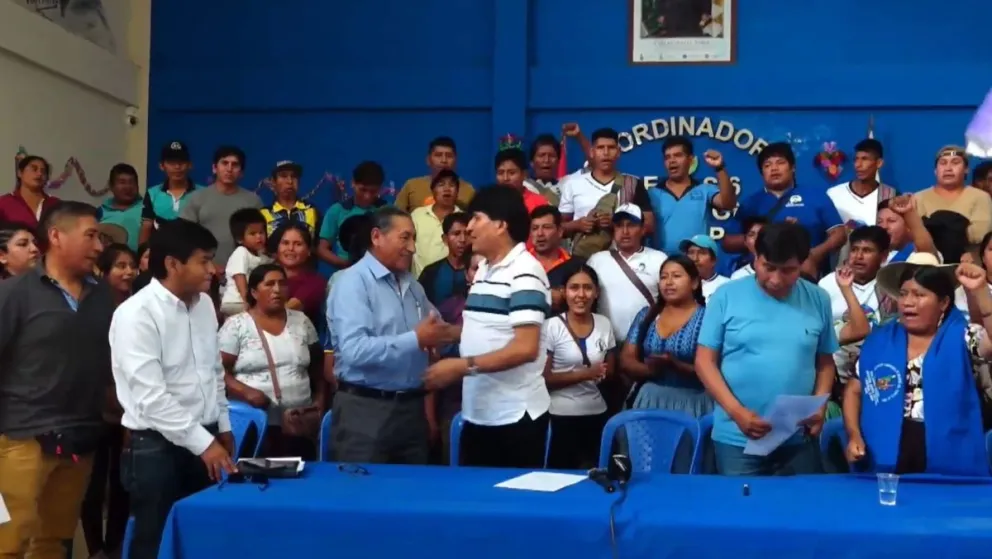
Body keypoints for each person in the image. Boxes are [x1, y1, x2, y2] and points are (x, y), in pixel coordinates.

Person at [110, 218, 236, 559]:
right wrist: (204, 442)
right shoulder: (136, 313)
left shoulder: (206, 304)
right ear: (172, 264)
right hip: (156, 447)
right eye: (204, 260)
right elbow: (151, 398)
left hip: (206, 437)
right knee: (154, 540)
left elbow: (213, 371)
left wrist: (222, 426)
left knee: (200, 538)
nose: (213, 269)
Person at [0, 201, 113, 558]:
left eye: (100, 237)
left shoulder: (103, 296)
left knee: (55, 541)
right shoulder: (15, 294)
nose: (98, 247)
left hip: (81, 436)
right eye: (90, 236)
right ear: (56, 236)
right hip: (22, 436)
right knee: (9, 542)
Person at [423, 187, 552, 468]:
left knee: (510, 509)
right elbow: (490, 329)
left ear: (501, 225)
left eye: (476, 219)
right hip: (479, 412)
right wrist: (446, 333)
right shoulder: (484, 269)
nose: (468, 228)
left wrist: (460, 366)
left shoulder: (525, 272)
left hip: (514, 418)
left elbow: (525, 347)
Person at [696, 222, 837, 476]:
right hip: (737, 437)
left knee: (800, 512)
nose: (775, 279)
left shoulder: (818, 299)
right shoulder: (725, 296)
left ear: (803, 264)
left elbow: (825, 362)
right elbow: (704, 362)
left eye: (788, 271)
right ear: (755, 256)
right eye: (768, 267)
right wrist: (737, 412)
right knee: (743, 513)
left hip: (798, 438)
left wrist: (820, 404)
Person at [843, 257, 992, 476]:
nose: (908, 302)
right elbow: (854, 391)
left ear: (943, 303)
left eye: (920, 295)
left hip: (949, 452)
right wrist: (854, 434)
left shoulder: (963, 335)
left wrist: (980, 291)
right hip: (884, 451)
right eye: (903, 294)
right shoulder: (879, 341)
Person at [328, 207, 454, 464]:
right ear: (376, 237)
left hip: (411, 409)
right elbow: (354, 351)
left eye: (414, 239)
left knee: (410, 498)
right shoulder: (352, 283)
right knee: (363, 497)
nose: (412, 248)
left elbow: (438, 330)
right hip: (365, 409)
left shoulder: (413, 286)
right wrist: (416, 339)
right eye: (404, 237)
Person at [219, 264, 322, 459]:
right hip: (256, 422)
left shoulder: (301, 321)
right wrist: (245, 391)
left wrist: (319, 401)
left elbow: (317, 368)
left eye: (282, 284)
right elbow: (217, 370)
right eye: (269, 284)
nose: (277, 289)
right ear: (254, 292)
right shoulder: (237, 326)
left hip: (299, 421)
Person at [81, 243, 137, 559]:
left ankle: (115, 545)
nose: (128, 272)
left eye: (132, 265)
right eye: (119, 266)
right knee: (92, 482)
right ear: (103, 272)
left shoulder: (141, 306)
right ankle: (94, 548)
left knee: (123, 481)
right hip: (95, 408)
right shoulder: (90, 309)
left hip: (132, 408)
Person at [724, 142, 847, 278]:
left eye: (780, 162)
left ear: (792, 167)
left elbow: (839, 233)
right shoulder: (751, 203)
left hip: (808, 275)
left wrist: (813, 255)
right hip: (764, 276)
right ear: (761, 173)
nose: (774, 168)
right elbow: (728, 242)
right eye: (767, 165)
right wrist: (768, 233)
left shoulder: (815, 196)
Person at [542, 262, 615, 469]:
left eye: (587, 288)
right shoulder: (551, 327)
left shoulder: (604, 324)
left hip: (597, 415)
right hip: (559, 419)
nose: (581, 294)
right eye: (574, 288)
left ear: (596, 293)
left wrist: (605, 373)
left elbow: (610, 370)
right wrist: (586, 374)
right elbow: (544, 379)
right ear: (564, 292)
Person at [620, 255, 710, 415]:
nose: (668, 282)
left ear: (695, 283)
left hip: (693, 403)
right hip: (648, 401)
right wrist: (650, 370)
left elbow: (716, 368)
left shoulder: (708, 318)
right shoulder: (646, 315)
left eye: (676, 276)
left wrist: (677, 365)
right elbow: (627, 359)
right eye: (663, 277)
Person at [558, 128, 655, 257]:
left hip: (622, 260)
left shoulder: (632, 184)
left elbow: (649, 225)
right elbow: (557, 227)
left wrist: (616, 223)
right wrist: (579, 225)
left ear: (618, 152)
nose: (606, 153)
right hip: (582, 259)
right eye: (600, 148)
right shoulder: (573, 183)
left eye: (611, 148)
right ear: (592, 152)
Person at [649, 136, 737, 255]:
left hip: (696, 262)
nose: (672, 161)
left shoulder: (705, 190)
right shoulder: (652, 193)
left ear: (690, 160)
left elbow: (728, 204)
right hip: (662, 264)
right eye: (667, 157)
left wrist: (719, 168)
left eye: (678, 155)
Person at [179, 145, 263, 267]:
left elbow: (261, 240)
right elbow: (184, 237)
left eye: (235, 165)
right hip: (204, 270)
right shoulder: (197, 198)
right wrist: (209, 264)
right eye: (224, 163)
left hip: (245, 271)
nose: (229, 169)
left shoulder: (254, 201)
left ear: (241, 173)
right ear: (214, 168)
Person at [317, 161, 388, 270]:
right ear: (353, 183)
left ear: (380, 188)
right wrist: (344, 264)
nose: (367, 196)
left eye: (373, 191)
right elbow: (322, 249)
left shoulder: (387, 211)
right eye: (362, 190)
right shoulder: (337, 210)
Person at [914, 145, 992, 246]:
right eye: (943, 163)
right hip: (926, 258)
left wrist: (934, 228)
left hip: (969, 258)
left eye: (955, 163)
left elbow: (979, 235)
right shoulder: (918, 198)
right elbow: (915, 235)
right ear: (935, 170)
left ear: (966, 169)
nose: (948, 168)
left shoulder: (981, 197)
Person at [139, 141, 200, 244]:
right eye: (171, 162)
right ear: (161, 166)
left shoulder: (202, 193)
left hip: (191, 255)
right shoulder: (152, 194)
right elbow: (146, 228)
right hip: (160, 253)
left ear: (190, 165)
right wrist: (142, 253)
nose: (177, 167)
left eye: (181, 162)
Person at [394, 136, 475, 212]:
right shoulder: (412, 186)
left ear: (456, 160)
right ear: (428, 160)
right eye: (438, 155)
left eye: (449, 156)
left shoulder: (468, 190)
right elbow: (394, 217)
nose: (444, 160)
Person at [270, 222, 325, 325]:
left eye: (298, 244)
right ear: (277, 248)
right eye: (285, 243)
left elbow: (286, 310)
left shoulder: (315, 282)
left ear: (309, 251)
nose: (290, 248)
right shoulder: (264, 276)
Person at [411, 170, 463, 277]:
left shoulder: (464, 219)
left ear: (457, 191)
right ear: (433, 190)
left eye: (452, 185)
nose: (447, 189)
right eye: (441, 184)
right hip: (418, 282)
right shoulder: (417, 215)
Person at [220, 208, 271, 317]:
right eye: (252, 234)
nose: (259, 237)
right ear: (239, 239)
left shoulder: (262, 257)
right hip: (236, 302)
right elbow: (240, 277)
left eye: (261, 232)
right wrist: (247, 301)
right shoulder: (241, 253)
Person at [528, 206, 576, 313]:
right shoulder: (519, 264)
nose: (540, 234)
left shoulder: (576, 267)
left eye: (547, 227)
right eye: (535, 228)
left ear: (560, 231)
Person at [418, 212, 470, 305]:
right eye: (456, 233)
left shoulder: (479, 272)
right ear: (445, 239)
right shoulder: (431, 272)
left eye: (467, 234)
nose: (462, 239)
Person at [261, 160, 319, 237]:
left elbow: (319, 245)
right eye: (284, 176)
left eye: (294, 176)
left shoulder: (312, 210)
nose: (290, 181)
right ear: (273, 182)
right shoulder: (263, 214)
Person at [0, 155, 60, 228]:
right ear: (20, 173)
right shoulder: (4, 203)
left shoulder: (55, 204)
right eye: (34, 169)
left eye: (43, 171)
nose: (39, 174)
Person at [96, 163, 144, 250]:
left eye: (131, 182)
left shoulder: (148, 209)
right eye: (122, 182)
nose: (128, 187)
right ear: (111, 186)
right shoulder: (99, 212)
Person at [494, 148, 549, 213]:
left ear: (525, 174)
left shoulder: (539, 203)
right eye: (500, 173)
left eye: (512, 173)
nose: (505, 178)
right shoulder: (490, 202)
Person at [679, 234, 728, 301]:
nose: (695, 258)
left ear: (713, 260)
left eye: (701, 253)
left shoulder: (726, 285)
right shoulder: (679, 284)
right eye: (691, 252)